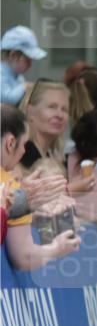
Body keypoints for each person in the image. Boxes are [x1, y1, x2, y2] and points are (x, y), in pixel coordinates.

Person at [1, 105, 79, 266]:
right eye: (24, 144)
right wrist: (57, 248)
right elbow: (24, 257)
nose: (23, 151)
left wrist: (34, 216)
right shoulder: (12, 188)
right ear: (10, 143)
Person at [17, 79, 70, 172]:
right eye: (52, 107)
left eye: (64, 109)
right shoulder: (21, 153)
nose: (59, 115)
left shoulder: (51, 154)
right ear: (30, 111)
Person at [1, 26, 47, 106]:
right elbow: (6, 100)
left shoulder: (18, 77)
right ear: (13, 55)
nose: (30, 64)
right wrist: (25, 87)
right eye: (27, 60)